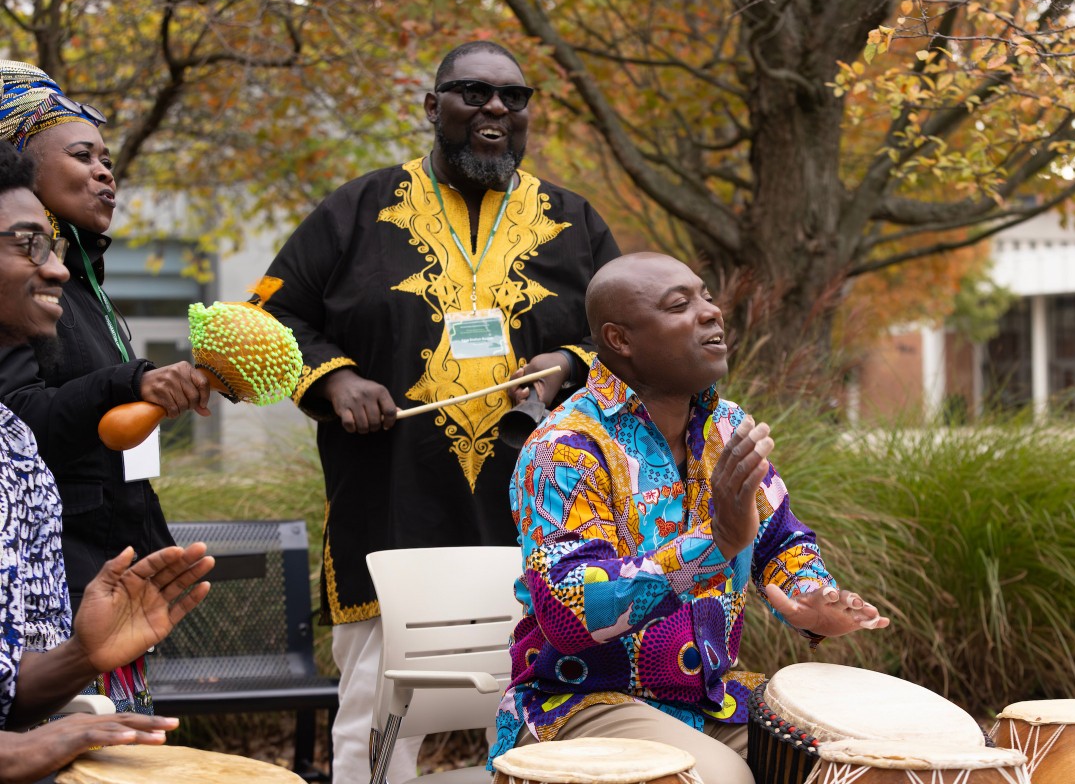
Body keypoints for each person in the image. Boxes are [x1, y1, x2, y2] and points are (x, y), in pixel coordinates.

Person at [261, 40, 621, 781]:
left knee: (539, 711)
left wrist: (571, 363)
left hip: (541, 515)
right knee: (378, 716)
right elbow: (266, 321)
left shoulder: (574, 221)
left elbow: (625, 334)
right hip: (392, 506)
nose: (495, 109)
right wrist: (334, 381)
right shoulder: (356, 211)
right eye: (472, 92)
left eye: (512, 98)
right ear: (433, 107)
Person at [490, 253, 892, 784]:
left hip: (710, 698)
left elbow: (778, 539)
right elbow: (571, 612)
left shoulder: (727, 426)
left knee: (852, 762)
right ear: (620, 339)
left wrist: (812, 601)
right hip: (579, 702)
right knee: (721, 778)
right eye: (680, 305)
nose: (710, 313)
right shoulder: (563, 449)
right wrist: (716, 543)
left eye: (705, 296)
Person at [0, 61, 212, 715]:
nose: (105, 172)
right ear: (16, 161)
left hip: (105, 581)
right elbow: (18, 420)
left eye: (109, 160)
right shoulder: (19, 297)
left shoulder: (82, 283)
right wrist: (131, 380)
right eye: (83, 154)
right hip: (54, 586)